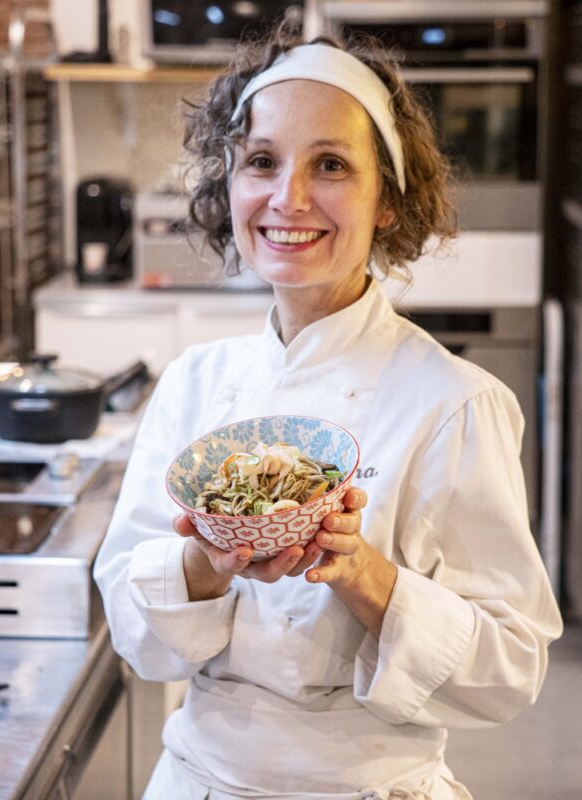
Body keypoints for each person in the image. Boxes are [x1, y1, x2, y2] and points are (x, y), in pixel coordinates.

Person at [94, 26, 563, 800]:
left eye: (333, 165)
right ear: (231, 186)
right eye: (262, 162)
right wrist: (205, 564)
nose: (289, 198)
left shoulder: (454, 402)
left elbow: (512, 669)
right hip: (199, 781)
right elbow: (137, 637)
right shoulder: (195, 383)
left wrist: (367, 578)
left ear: (388, 202)